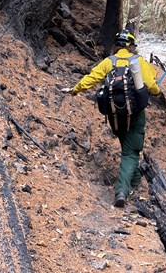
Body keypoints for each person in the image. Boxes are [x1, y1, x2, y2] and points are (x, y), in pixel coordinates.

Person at [62, 29, 160, 208]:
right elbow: (152, 86)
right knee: (130, 151)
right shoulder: (138, 62)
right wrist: (157, 91)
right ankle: (121, 191)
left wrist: (75, 89)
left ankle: (135, 180)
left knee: (128, 146)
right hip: (135, 114)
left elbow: (91, 78)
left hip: (114, 113)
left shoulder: (109, 62)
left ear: (117, 46)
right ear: (131, 46)